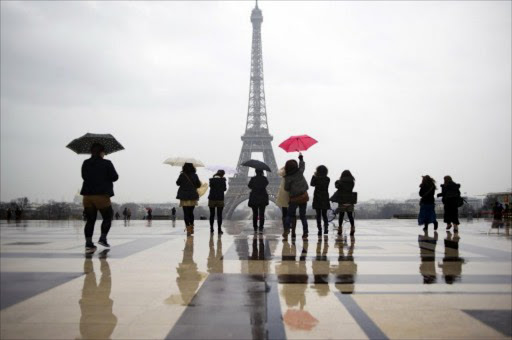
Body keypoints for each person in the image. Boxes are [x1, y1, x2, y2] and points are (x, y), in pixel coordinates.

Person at [80, 143, 119, 252]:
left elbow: (84, 176)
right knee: (107, 217)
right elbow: (115, 177)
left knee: (90, 220)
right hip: (101, 195)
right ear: (101, 152)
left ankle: (88, 242)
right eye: (104, 152)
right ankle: (102, 238)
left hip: (87, 196)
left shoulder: (86, 163)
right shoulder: (106, 163)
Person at [283, 154, 309, 240]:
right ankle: (305, 232)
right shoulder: (299, 172)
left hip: (294, 198)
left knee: (289, 215)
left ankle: (286, 230)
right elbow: (302, 165)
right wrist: (301, 158)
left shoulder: (287, 177)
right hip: (303, 197)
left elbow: (286, 188)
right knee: (303, 216)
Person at [176, 163, 201, 236]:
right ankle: (192, 227)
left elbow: (177, 183)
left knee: (186, 213)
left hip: (184, 196)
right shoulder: (195, 175)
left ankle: (188, 229)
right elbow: (198, 185)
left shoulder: (182, 175)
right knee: (191, 213)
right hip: (192, 196)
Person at [334, 170, 356, 235]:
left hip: (342, 201)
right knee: (350, 215)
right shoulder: (352, 182)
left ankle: (340, 229)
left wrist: (337, 182)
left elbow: (336, 186)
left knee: (341, 215)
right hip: (350, 200)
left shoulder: (340, 182)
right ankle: (352, 228)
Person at [311, 165, 330, 236]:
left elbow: (312, 184)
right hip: (325, 198)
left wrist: (314, 175)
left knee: (318, 215)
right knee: (324, 215)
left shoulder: (316, 178)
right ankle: (326, 229)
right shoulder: (327, 179)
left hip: (317, 198)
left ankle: (319, 230)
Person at [248, 169, 269, 233]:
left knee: (255, 214)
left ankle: (255, 227)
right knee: (262, 214)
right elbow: (266, 184)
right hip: (262, 197)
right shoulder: (264, 179)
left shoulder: (253, 179)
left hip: (254, 197)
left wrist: (255, 187)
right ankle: (261, 228)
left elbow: (249, 186)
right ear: (262, 172)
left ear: (256, 172)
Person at [208, 170, 227, 234]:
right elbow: (224, 189)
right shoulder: (223, 180)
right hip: (220, 198)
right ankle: (219, 229)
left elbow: (211, 187)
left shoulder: (211, 180)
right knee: (219, 215)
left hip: (212, 198)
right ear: (222, 174)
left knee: (212, 215)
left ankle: (211, 228)